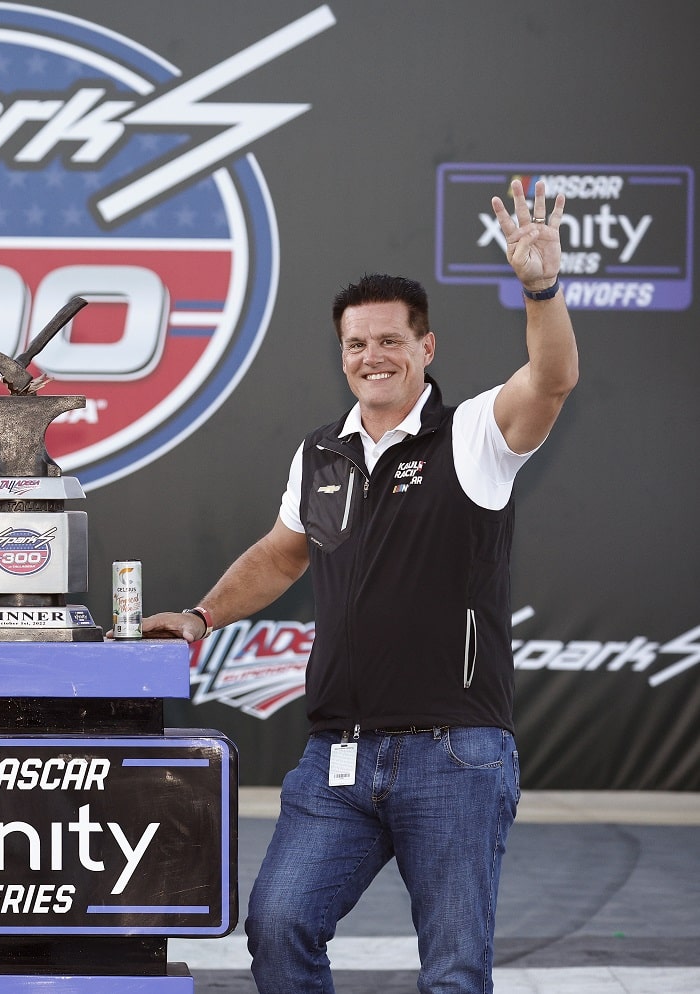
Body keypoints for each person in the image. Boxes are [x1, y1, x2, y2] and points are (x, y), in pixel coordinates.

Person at [142, 179, 578, 993]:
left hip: (456, 753)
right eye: (355, 344)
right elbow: (281, 555)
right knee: (277, 923)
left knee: (452, 971)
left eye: (389, 341)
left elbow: (550, 380)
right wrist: (201, 615)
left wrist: (541, 289)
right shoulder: (320, 454)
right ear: (340, 353)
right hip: (335, 756)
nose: (371, 356)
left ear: (427, 349)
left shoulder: (476, 433)